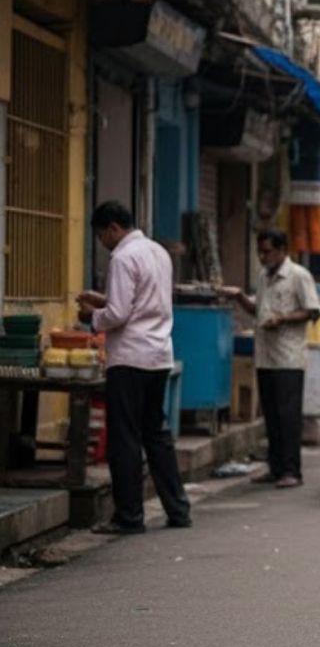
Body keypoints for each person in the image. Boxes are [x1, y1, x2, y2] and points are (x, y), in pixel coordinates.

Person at [78, 201, 191, 535]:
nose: (102, 242)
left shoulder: (123, 258)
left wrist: (91, 317)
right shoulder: (158, 252)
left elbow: (119, 314)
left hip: (129, 357)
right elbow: (146, 301)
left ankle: (129, 515)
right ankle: (178, 508)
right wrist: (104, 301)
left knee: (125, 438)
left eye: (101, 235)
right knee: (156, 434)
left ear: (113, 228)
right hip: (158, 354)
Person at [223, 230, 320, 489]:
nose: (263, 256)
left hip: (288, 357)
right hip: (266, 356)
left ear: (282, 250)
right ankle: (276, 467)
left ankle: (292, 471)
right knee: (272, 416)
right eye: (260, 252)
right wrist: (240, 297)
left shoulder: (298, 275)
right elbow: (260, 310)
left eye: (267, 251)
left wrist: (283, 319)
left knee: (288, 417)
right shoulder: (263, 277)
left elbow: (313, 311)